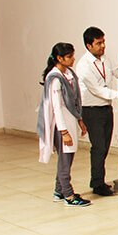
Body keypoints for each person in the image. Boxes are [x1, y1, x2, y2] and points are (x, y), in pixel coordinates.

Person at [76, 26, 118, 196]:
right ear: (89, 45)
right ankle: (98, 184)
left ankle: (98, 180)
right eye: (98, 43)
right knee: (99, 147)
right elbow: (97, 90)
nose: (103, 46)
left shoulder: (105, 60)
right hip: (91, 110)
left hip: (106, 108)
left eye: (103, 42)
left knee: (105, 146)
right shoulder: (84, 66)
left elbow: (115, 73)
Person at [37, 43, 91, 207]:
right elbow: (56, 108)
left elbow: (74, 101)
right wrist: (64, 132)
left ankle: (59, 191)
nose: (73, 59)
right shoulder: (54, 78)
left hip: (70, 121)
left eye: (73, 55)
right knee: (65, 160)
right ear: (59, 58)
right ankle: (69, 195)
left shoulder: (68, 73)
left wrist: (80, 120)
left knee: (67, 158)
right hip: (61, 125)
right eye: (69, 57)